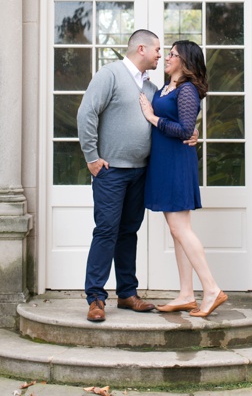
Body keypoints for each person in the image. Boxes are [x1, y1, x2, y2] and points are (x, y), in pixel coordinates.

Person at [77, 29, 162, 322]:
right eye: (157, 50)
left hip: (140, 172)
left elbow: (168, 118)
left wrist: (192, 133)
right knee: (106, 231)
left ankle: (127, 293)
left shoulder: (150, 87)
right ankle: (96, 298)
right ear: (142, 48)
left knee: (128, 233)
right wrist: (92, 157)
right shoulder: (109, 74)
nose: (160, 55)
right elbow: (86, 113)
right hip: (110, 172)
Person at [140, 40, 227, 318]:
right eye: (167, 53)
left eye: (173, 54)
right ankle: (187, 294)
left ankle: (212, 289)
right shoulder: (168, 87)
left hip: (176, 163)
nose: (167, 57)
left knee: (181, 230)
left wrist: (152, 117)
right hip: (165, 163)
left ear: (185, 61)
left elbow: (185, 129)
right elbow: (186, 127)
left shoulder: (187, 89)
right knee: (177, 231)